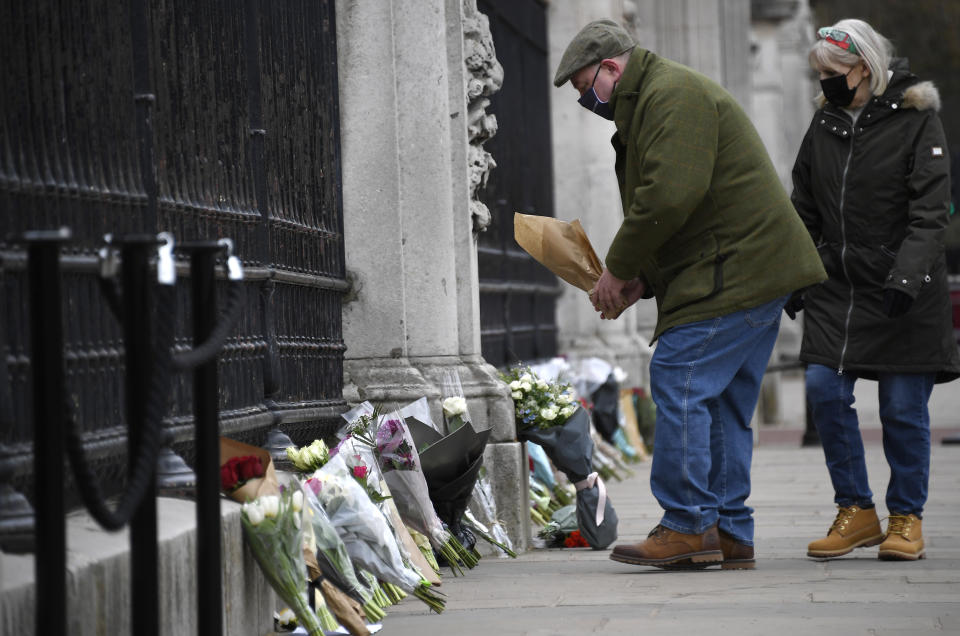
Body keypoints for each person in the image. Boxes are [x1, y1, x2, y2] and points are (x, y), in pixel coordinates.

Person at [553, 19, 826, 569]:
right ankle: (729, 531)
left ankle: (685, 525)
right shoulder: (656, 99)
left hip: (736, 271)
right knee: (720, 402)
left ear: (611, 68)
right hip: (744, 268)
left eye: (586, 87)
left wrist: (620, 269)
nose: (586, 99)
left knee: (678, 378)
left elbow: (667, 199)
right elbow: (688, 209)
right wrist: (642, 282)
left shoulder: (670, 95)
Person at [790, 19, 959, 562]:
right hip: (838, 286)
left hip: (903, 287)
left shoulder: (916, 120)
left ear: (865, 66)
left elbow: (931, 214)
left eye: (833, 72)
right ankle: (857, 511)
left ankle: (905, 518)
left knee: (902, 409)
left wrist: (907, 278)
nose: (825, 81)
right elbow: (802, 209)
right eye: (820, 73)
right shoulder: (824, 123)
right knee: (822, 390)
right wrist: (793, 272)